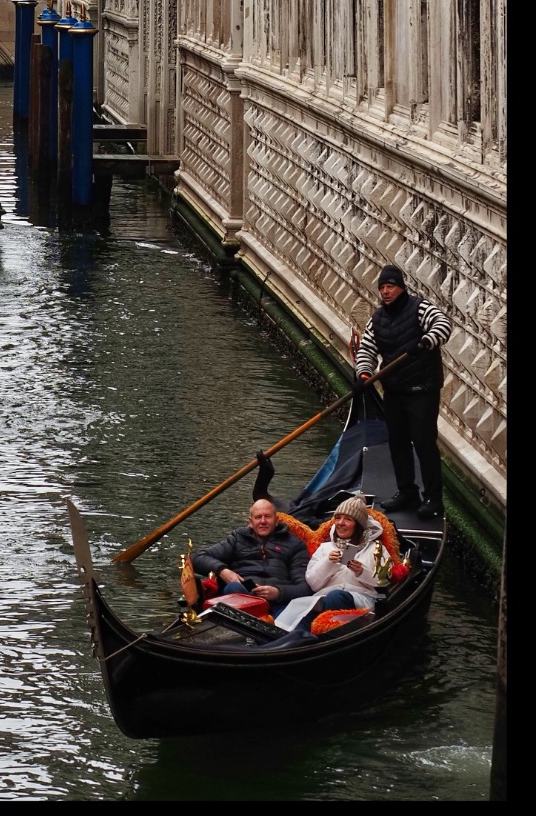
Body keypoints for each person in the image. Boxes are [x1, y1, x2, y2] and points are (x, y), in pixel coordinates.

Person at [355, 263, 452, 516]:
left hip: (423, 389)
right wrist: (364, 374)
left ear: (401, 288)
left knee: (424, 443)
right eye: (382, 288)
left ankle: (433, 499)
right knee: (398, 443)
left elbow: (443, 325)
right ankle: (407, 492)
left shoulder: (420, 308)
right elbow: (367, 350)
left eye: (390, 287)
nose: (386, 292)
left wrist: (426, 341)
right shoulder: (377, 319)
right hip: (394, 391)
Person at [274, 497, 388, 635]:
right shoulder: (325, 548)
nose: (340, 523)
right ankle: (297, 640)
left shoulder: (376, 549)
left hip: (361, 599)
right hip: (322, 599)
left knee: (336, 597)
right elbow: (313, 584)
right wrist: (328, 563)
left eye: (348, 519)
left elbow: (385, 581)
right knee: (294, 617)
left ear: (358, 524)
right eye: (338, 518)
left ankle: (329, 636)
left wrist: (361, 572)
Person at [192, 498, 310, 610]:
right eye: (258, 517)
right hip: (241, 597)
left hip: (277, 605)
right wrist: (223, 571)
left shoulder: (295, 545)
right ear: (251, 522)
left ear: (277, 520)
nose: (263, 521)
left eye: (267, 516)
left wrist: (278, 593)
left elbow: (305, 588)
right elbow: (197, 558)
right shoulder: (237, 539)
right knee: (233, 587)